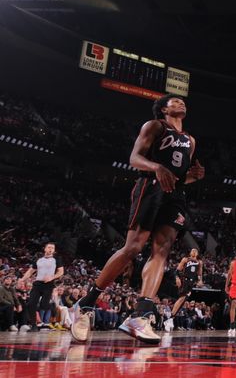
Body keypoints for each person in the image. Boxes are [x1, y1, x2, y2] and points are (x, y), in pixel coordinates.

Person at [70, 95, 205, 344]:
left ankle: (140, 315)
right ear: (164, 108)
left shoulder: (190, 140)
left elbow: (178, 177)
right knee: (133, 248)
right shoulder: (155, 126)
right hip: (149, 187)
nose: (182, 103)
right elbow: (134, 159)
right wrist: (156, 167)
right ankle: (86, 304)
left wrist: (193, 178)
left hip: (175, 194)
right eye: (175, 101)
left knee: (162, 251)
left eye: (183, 101)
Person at [19, 242, 63, 332]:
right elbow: (31, 271)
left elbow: (61, 272)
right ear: (45, 249)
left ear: (54, 251)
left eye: (52, 248)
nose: (51, 249)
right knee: (31, 304)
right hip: (37, 284)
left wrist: (52, 277)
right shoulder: (38, 259)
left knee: (44, 305)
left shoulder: (56, 259)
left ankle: (52, 305)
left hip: (48, 284)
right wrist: (22, 279)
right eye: (49, 247)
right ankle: (34, 325)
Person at [171, 248, 203, 318]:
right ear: (190, 253)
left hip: (191, 282)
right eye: (192, 250)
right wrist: (177, 278)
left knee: (183, 300)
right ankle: (171, 316)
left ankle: (172, 316)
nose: (194, 252)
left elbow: (199, 274)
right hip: (184, 280)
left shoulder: (199, 262)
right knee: (182, 298)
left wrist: (200, 281)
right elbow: (177, 271)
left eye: (196, 251)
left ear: (197, 253)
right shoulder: (186, 259)